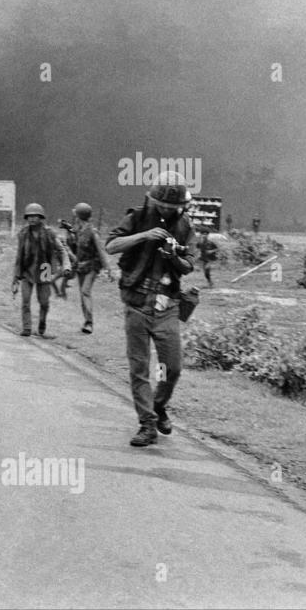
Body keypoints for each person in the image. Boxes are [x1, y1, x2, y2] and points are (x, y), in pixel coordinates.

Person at [105, 171, 196, 447]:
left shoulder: (185, 226)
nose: (167, 210)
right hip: (136, 302)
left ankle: (158, 406)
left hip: (167, 304)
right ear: (152, 199)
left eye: (173, 207)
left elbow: (190, 264)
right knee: (139, 366)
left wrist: (174, 257)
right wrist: (144, 236)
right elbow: (111, 246)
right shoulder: (135, 217)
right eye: (163, 205)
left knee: (172, 367)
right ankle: (146, 424)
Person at [12, 203, 72, 339]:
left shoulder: (49, 233)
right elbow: (19, 255)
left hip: (44, 269)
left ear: (41, 217)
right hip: (27, 271)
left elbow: (62, 250)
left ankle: (42, 324)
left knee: (44, 301)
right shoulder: (23, 234)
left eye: (35, 216)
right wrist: (15, 276)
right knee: (25, 301)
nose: (32, 219)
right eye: (29, 216)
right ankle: (26, 327)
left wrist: (67, 266)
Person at [70, 202, 116, 334]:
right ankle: (86, 321)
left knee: (85, 291)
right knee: (82, 295)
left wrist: (108, 270)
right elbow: (74, 249)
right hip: (81, 266)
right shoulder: (77, 231)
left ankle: (89, 323)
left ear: (79, 216)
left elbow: (101, 251)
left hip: (92, 266)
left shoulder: (92, 232)